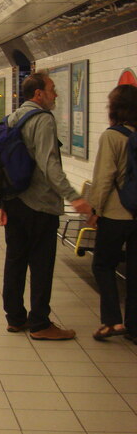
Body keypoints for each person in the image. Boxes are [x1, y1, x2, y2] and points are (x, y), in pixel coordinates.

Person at [0, 74, 92, 340]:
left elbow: (0, 166)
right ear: (38, 94)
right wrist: (74, 197)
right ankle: (39, 324)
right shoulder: (43, 120)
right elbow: (49, 165)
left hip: (13, 202)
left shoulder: (12, 118)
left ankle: (15, 318)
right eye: (52, 90)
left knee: (14, 261)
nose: (56, 95)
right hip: (39, 205)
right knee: (41, 264)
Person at [87, 84, 137, 342]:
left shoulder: (112, 136)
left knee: (103, 265)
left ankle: (112, 321)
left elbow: (104, 177)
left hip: (117, 214)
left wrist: (95, 209)